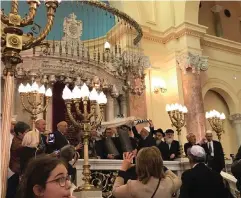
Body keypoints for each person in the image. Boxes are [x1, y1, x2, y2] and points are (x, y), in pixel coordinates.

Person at [112, 146, 181, 198]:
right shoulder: (169, 183)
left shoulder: (133, 186)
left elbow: (115, 191)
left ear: (139, 165)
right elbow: (178, 179)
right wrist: (158, 165)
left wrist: (123, 169)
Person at [7, 122, 30, 198]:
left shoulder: (20, 140)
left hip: (18, 170)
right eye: (27, 132)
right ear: (20, 133)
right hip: (16, 171)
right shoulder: (18, 144)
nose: (29, 134)